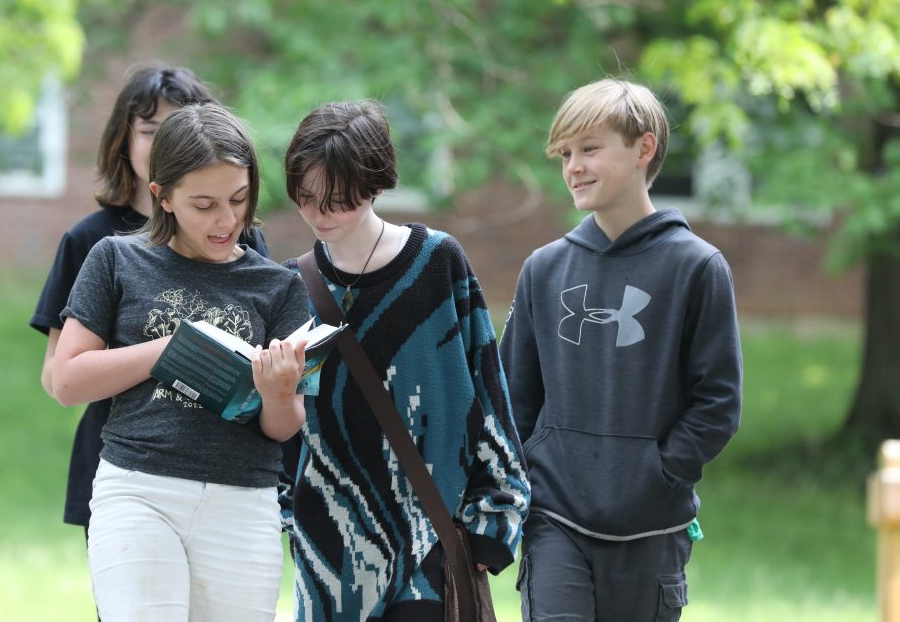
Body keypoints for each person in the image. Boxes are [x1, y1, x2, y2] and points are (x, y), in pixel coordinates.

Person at [50, 101, 309, 620]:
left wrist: (279, 393)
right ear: (161, 196)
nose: (226, 220)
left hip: (245, 503)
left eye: (238, 199)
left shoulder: (279, 286)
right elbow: (66, 381)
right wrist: (169, 349)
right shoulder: (115, 258)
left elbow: (283, 429)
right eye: (204, 204)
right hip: (139, 491)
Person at [499, 78, 743, 622]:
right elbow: (514, 397)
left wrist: (656, 473)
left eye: (590, 148)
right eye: (565, 153)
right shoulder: (545, 269)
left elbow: (718, 405)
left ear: (644, 148)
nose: (573, 167)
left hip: (652, 528)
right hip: (554, 516)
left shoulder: (697, 268)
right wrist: (526, 478)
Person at [280, 99, 530, 621]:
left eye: (337, 200)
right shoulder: (291, 285)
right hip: (328, 556)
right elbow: (288, 423)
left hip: (429, 545)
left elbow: (488, 390)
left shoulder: (436, 263)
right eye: (305, 198)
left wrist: (495, 518)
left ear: (375, 184)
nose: (318, 215)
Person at [29, 64, 269, 545]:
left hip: (225, 480)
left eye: (180, 128)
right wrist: (167, 352)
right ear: (123, 138)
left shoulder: (242, 237)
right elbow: (58, 376)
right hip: (123, 475)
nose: (166, 144)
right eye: (150, 130)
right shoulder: (92, 242)